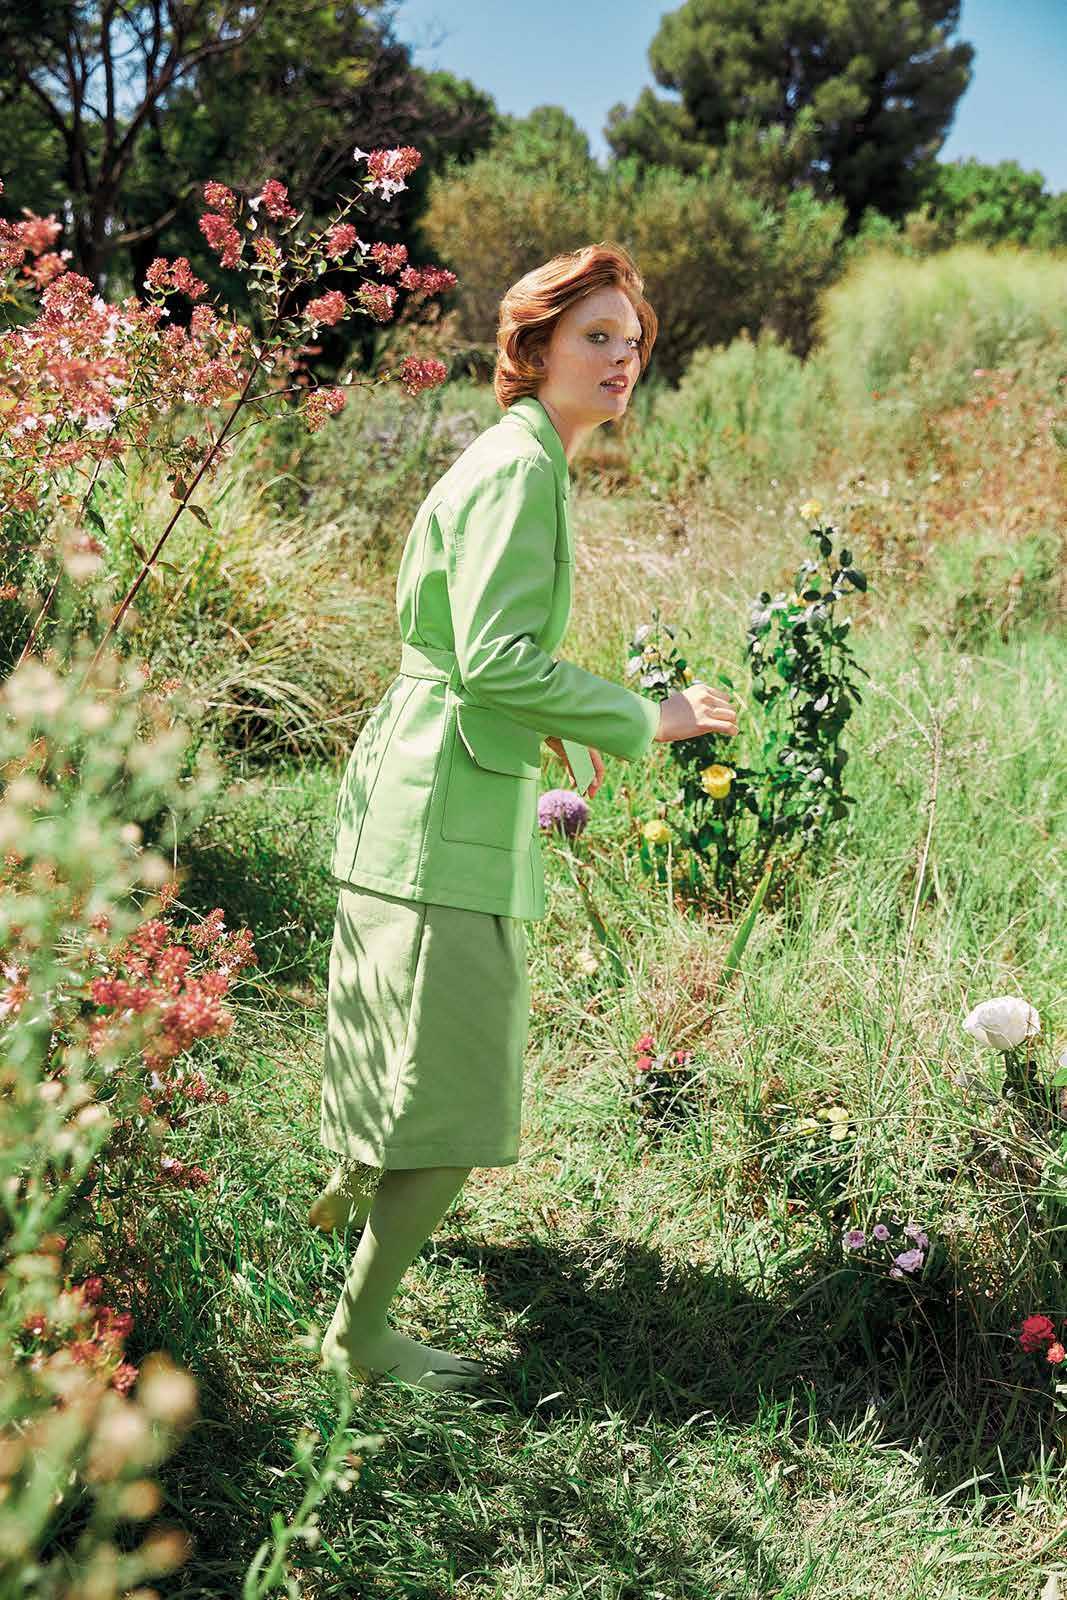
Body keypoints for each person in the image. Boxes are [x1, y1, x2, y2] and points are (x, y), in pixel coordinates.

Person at [311, 242, 740, 1394]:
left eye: (632, 341)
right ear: (534, 346)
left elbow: (467, 652)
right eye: (595, 336)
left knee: (390, 1017)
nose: (620, 357)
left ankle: (348, 1189)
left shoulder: (517, 456)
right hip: (440, 805)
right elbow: (495, 659)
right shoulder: (518, 468)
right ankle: (357, 1336)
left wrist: (539, 722)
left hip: (419, 778)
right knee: (456, 1087)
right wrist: (643, 717)